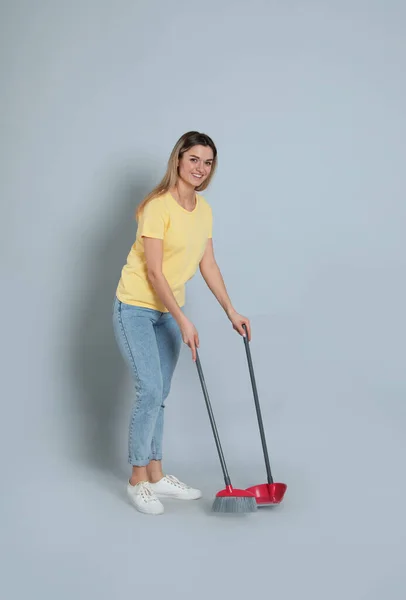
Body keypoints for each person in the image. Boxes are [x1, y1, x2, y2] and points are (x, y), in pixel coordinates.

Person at [112, 131, 251, 515]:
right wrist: (184, 321)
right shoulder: (157, 207)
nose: (200, 169)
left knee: (162, 393)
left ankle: (157, 474)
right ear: (178, 160)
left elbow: (208, 264)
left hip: (167, 311)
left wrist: (231, 311)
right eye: (194, 160)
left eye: (207, 162)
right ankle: (138, 478)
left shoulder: (203, 210)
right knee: (150, 390)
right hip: (136, 308)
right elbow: (155, 274)